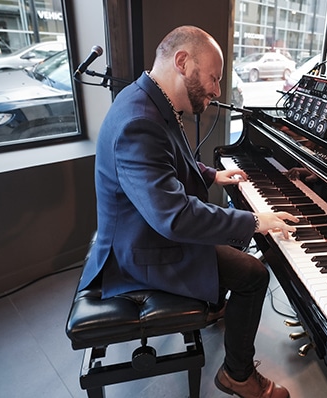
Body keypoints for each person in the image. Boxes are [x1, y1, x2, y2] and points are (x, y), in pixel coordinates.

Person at [78, 25, 298, 398]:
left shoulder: (148, 100)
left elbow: (167, 165)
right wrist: (255, 221)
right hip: (140, 251)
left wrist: (213, 175)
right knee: (253, 273)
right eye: (214, 78)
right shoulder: (141, 121)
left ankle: (212, 306)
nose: (216, 90)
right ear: (182, 62)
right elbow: (175, 217)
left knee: (232, 246)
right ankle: (238, 376)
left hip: (144, 230)